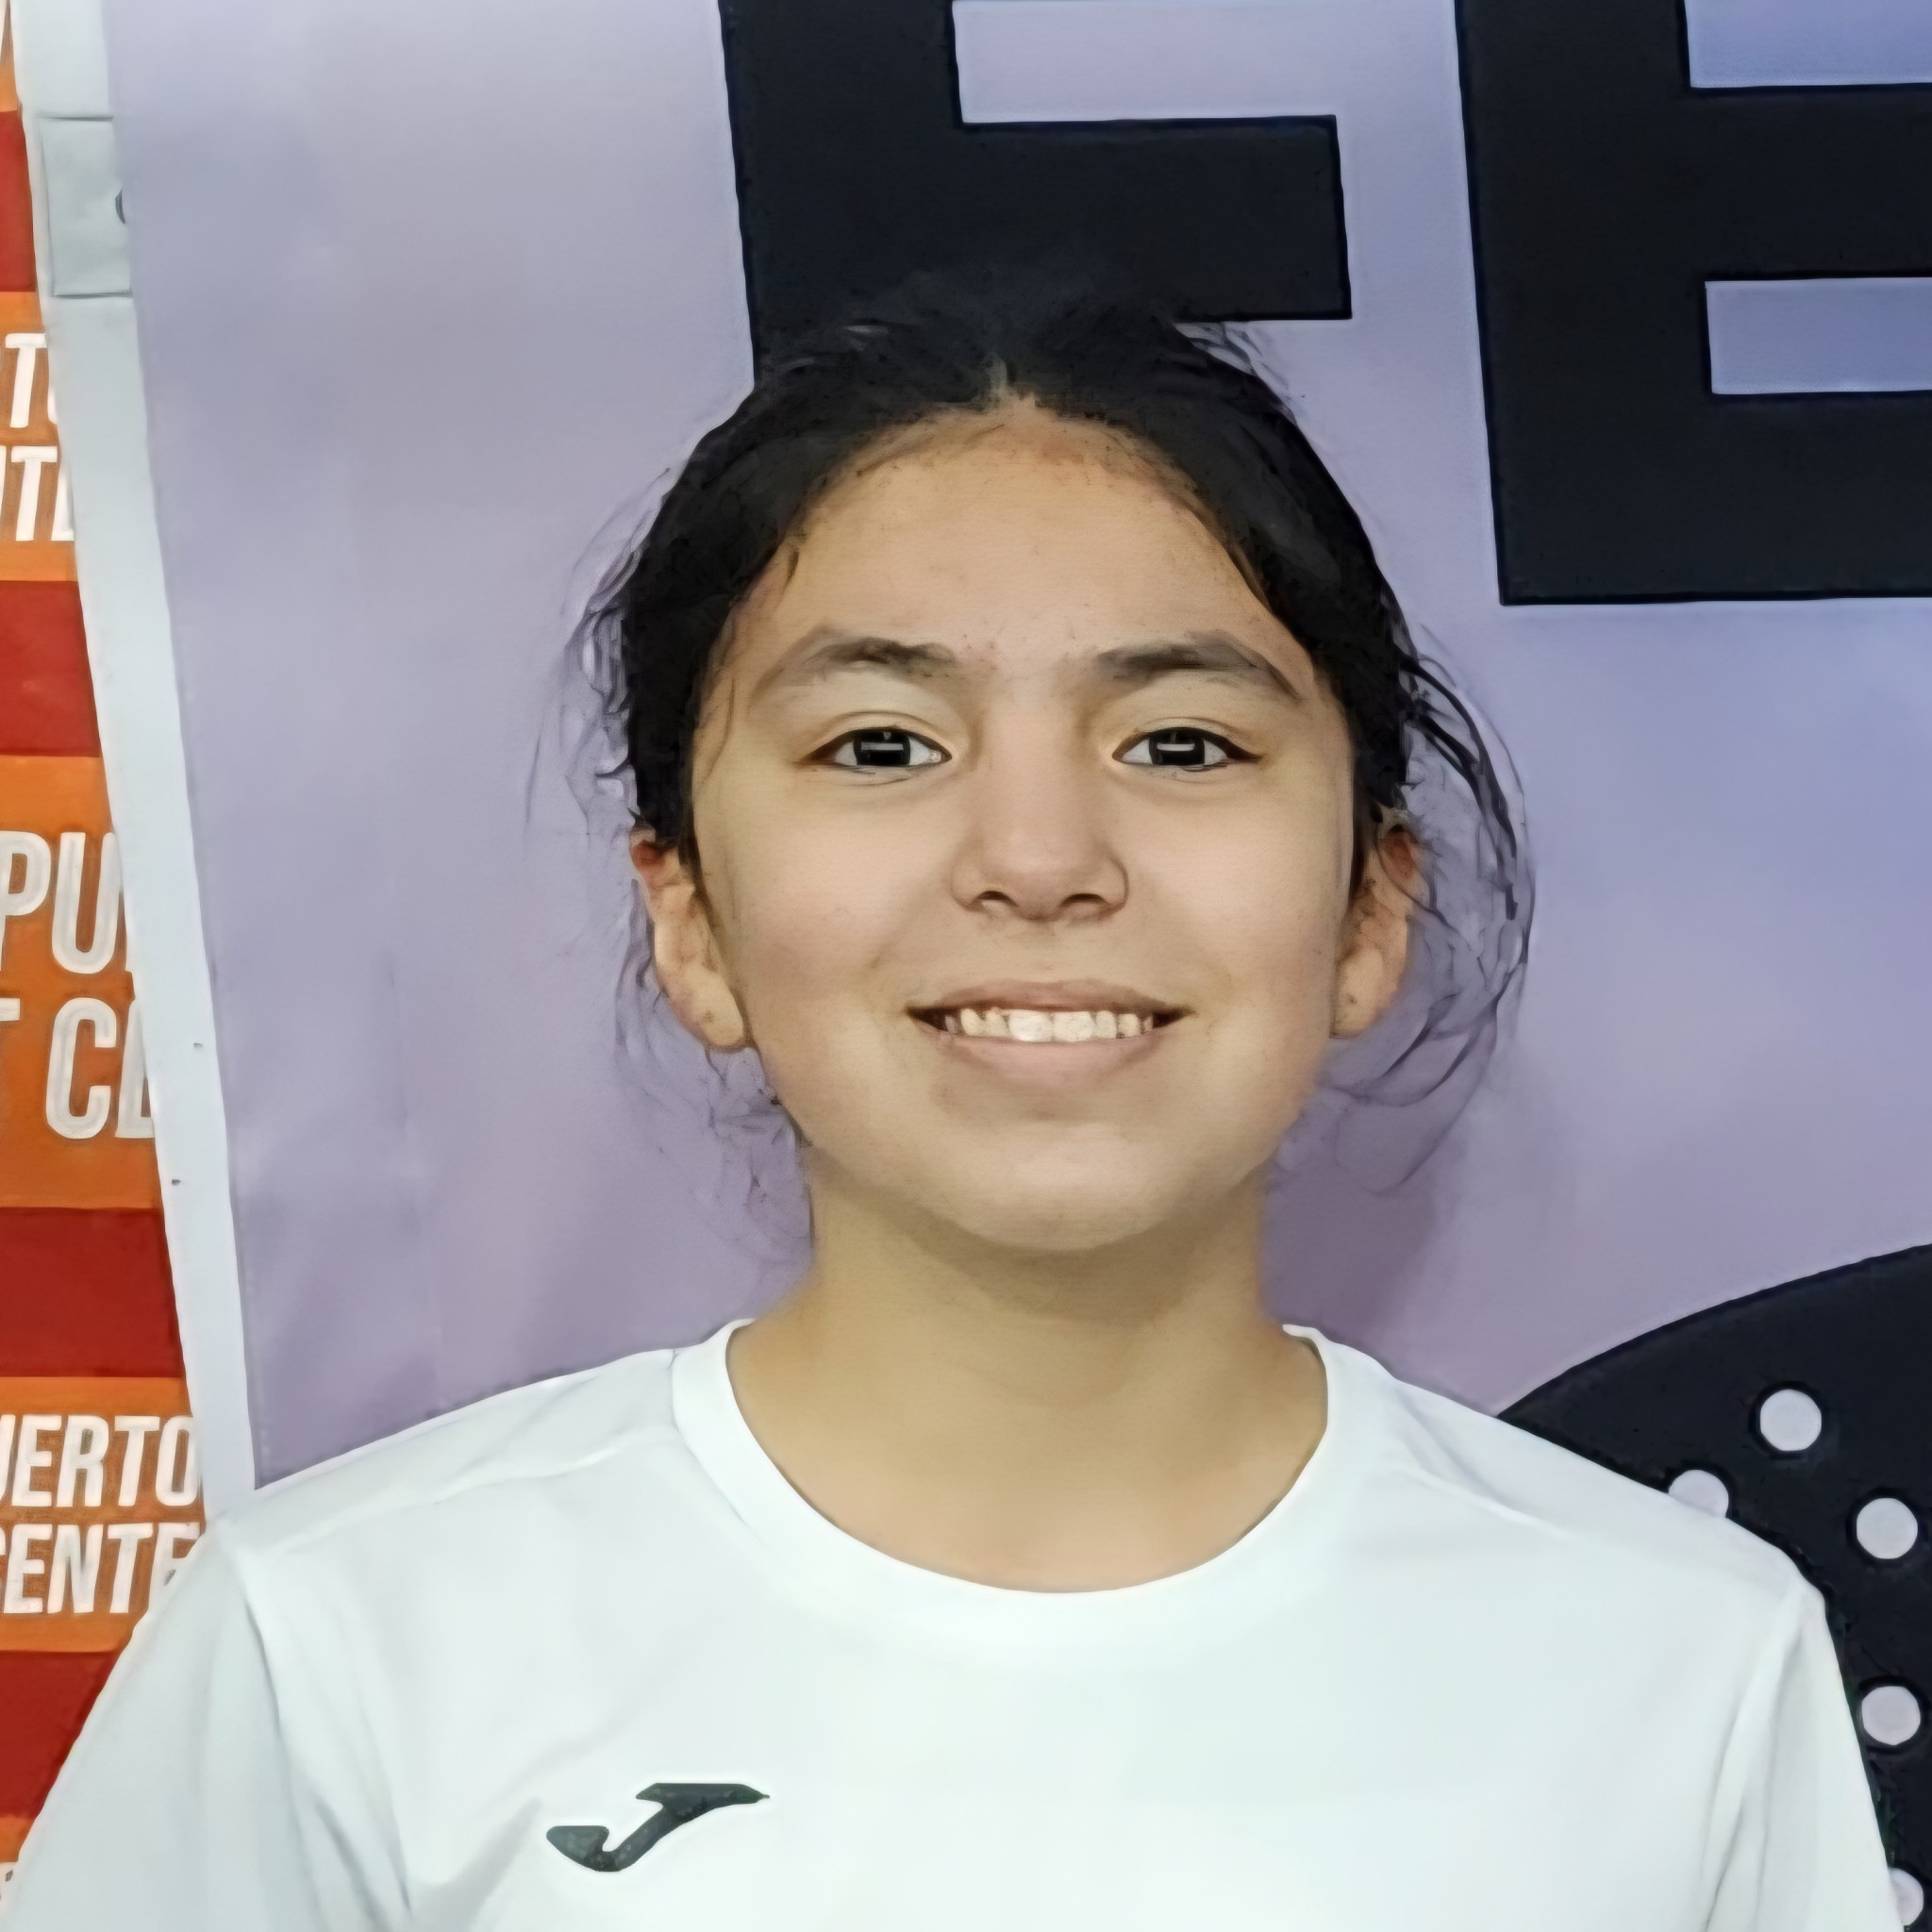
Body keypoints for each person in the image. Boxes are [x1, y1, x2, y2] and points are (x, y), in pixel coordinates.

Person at [8, 275, 1897, 1930]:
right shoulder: (338, 1649)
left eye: (1180, 742)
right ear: (690, 917)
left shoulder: (1676, 1661)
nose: (1039, 857)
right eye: (883, 744)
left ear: (1367, 910)